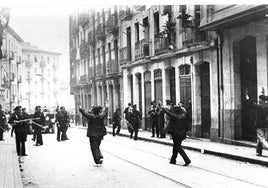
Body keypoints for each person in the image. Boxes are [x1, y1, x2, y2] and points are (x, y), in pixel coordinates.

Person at [159, 102, 191, 166]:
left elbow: (169, 113)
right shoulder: (184, 116)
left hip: (176, 134)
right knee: (176, 146)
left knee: (178, 147)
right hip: (182, 134)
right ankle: (173, 159)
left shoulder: (175, 117)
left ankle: (187, 160)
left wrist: (163, 108)